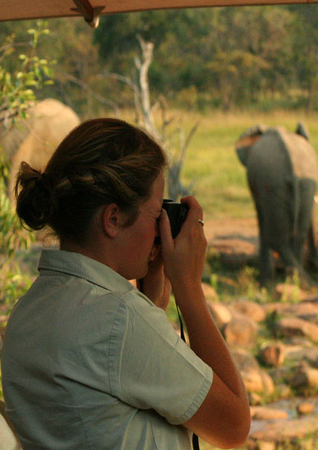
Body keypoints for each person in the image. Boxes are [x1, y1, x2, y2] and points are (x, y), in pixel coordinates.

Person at [1, 118, 250, 449]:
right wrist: (189, 290)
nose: (161, 227)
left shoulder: (27, 313)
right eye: (155, 213)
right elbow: (233, 427)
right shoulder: (121, 321)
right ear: (113, 219)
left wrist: (154, 305)